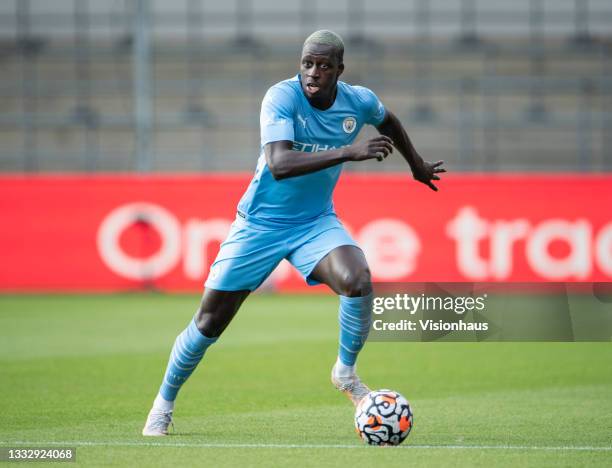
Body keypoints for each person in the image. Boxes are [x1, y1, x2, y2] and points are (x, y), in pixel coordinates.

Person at [143, 30, 445, 436]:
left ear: (340, 70)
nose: (313, 73)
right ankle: (163, 402)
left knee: (358, 279)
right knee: (210, 322)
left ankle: (345, 372)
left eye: (323, 65)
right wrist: (347, 152)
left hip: (314, 223)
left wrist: (417, 164)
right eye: (307, 63)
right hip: (259, 225)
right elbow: (279, 164)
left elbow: (388, 119)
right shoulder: (281, 97)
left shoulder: (358, 101)